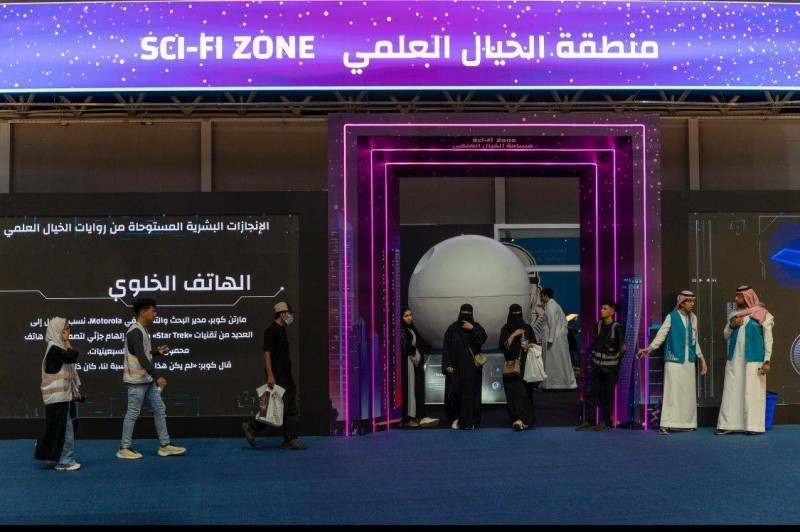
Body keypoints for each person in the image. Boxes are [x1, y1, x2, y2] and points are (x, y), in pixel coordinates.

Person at [117, 298, 187, 459]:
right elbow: (141, 357)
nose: (155, 314)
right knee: (133, 412)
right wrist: (157, 376)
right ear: (143, 312)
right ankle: (124, 448)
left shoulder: (142, 330)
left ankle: (165, 445)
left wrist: (156, 352)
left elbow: (144, 354)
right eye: (153, 311)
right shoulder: (135, 331)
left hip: (146, 380)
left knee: (159, 409)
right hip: (136, 381)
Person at [638, 290, 708, 435]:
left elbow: (694, 340)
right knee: (672, 392)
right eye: (689, 301)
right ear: (681, 303)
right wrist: (650, 348)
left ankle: (686, 423)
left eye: (693, 301)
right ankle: (666, 424)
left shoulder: (693, 318)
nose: (692, 304)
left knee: (687, 393)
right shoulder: (672, 316)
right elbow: (661, 335)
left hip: (689, 360)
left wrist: (702, 358)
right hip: (674, 360)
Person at [243, 301, 309, 450]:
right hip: (277, 377)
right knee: (273, 409)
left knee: (291, 409)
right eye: (289, 313)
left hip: (287, 376)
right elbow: (266, 353)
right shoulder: (271, 331)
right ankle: (251, 426)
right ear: (282, 314)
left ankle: (290, 440)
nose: (291, 316)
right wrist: (270, 376)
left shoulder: (282, 330)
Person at [716, 286, 775, 436]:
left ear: (748, 297)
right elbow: (726, 335)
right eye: (736, 296)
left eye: (739, 296)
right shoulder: (734, 315)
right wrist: (732, 325)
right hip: (735, 359)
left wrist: (767, 361)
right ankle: (728, 424)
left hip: (755, 360)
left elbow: (768, 340)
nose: (736, 298)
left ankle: (753, 426)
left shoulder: (763, 314)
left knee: (753, 391)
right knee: (732, 390)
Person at [34, 317, 83, 471]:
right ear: (57, 331)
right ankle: (65, 461)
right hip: (56, 398)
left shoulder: (57, 348)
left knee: (59, 428)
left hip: (62, 397)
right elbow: (73, 356)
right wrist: (67, 340)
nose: (68, 332)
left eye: (68, 329)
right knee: (65, 429)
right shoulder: (54, 348)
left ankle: (50, 453)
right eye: (65, 330)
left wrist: (75, 390)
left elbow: (70, 370)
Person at [576, 300, 626, 432]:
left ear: (612, 311)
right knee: (592, 394)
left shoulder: (616, 327)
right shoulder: (598, 325)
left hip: (611, 369)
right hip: (597, 367)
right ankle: (590, 421)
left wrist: (614, 359)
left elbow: (623, 348)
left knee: (607, 396)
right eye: (601, 308)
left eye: (605, 308)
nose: (601, 310)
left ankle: (605, 421)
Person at [442, 303, 488, 430]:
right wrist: (447, 364)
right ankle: (457, 418)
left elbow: (482, 339)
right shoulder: (452, 328)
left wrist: (472, 328)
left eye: (468, 313)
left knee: (471, 394)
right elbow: (446, 347)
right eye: (464, 312)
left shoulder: (476, 326)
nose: (466, 315)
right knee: (455, 392)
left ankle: (470, 420)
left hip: (472, 368)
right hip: (455, 367)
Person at [498, 304, 537, 431]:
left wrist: (528, 346)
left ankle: (523, 420)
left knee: (524, 393)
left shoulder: (527, 328)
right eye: (514, 314)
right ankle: (517, 419)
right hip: (511, 367)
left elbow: (535, 345)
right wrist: (513, 335)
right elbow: (503, 347)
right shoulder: (506, 329)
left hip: (526, 366)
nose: (517, 317)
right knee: (512, 394)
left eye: (519, 313)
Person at [400, 307, 439, 428]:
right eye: (406, 316)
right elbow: (406, 346)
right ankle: (408, 418)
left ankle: (417, 416)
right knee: (409, 388)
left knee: (414, 388)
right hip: (407, 363)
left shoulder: (410, 328)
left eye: (410, 315)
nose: (409, 318)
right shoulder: (402, 329)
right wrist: (415, 356)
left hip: (413, 362)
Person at [538, 288, 578, 390]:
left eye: (542, 296)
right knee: (560, 361)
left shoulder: (551, 306)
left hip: (552, 339)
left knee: (551, 362)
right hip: (557, 338)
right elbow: (564, 322)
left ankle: (551, 384)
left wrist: (551, 338)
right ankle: (563, 383)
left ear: (546, 295)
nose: (541, 298)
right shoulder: (555, 305)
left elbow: (552, 323)